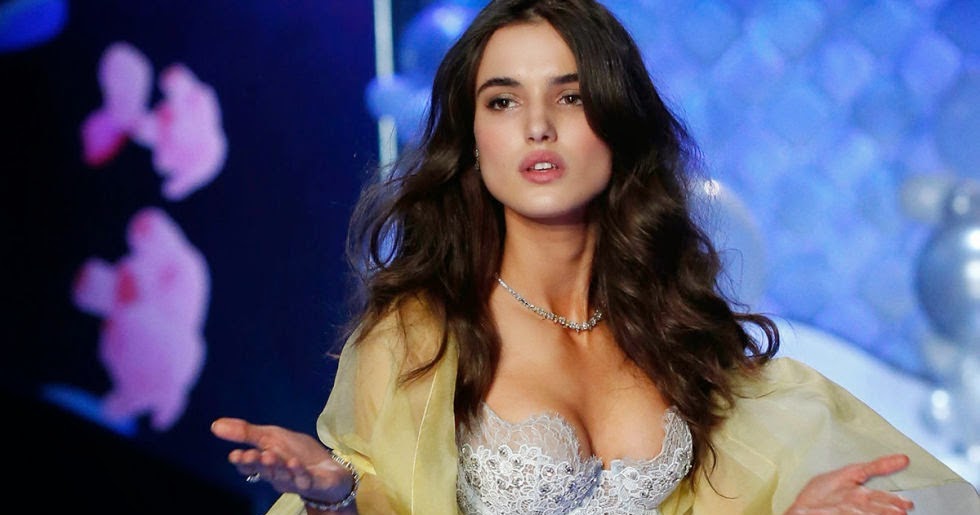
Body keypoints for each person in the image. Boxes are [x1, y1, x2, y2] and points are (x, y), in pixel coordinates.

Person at [211, 0, 980, 513]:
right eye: (503, 100)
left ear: (618, 121)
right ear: (473, 140)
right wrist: (336, 496)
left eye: (571, 96)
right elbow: (390, 500)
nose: (537, 126)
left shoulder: (673, 323)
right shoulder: (419, 334)